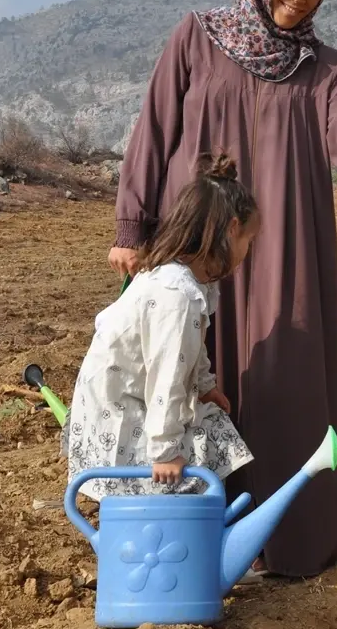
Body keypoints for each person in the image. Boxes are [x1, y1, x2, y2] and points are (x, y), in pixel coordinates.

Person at [110, 0, 337, 578]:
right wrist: (132, 229)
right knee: (185, 379)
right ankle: (184, 543)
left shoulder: (323, 69)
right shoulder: (197, 38)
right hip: (195, 249)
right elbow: (153, 131)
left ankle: (288, 541)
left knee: (284, 385)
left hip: (286, 254)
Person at [65, 156, 256, 505]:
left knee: (214, 427)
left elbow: (190, 347)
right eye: (248, 239)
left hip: (125, 394)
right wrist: (166, 450)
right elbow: (168, 373)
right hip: (120, 407)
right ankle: (172, 520)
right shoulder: (177, 295)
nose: (248, 251)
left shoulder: (186, 278)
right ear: (231, 229)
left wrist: (205, 385)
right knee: (193, 455)